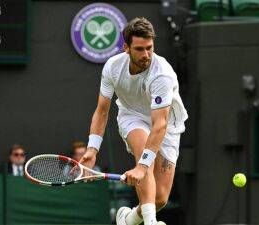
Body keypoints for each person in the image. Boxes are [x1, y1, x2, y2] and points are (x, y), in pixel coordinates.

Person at [79, 17, 188, 225]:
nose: (146, 55)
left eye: (150, 48)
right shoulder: (113, 67)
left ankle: (128, 220)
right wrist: (92, 150)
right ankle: (150, 223)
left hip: (166, 125)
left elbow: (160, 125)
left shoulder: (161, 75)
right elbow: (102, 111)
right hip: (131, 116)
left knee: (160, 198)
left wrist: (141, 168)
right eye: (139, 49)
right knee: (142, 147)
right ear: (126, 48)